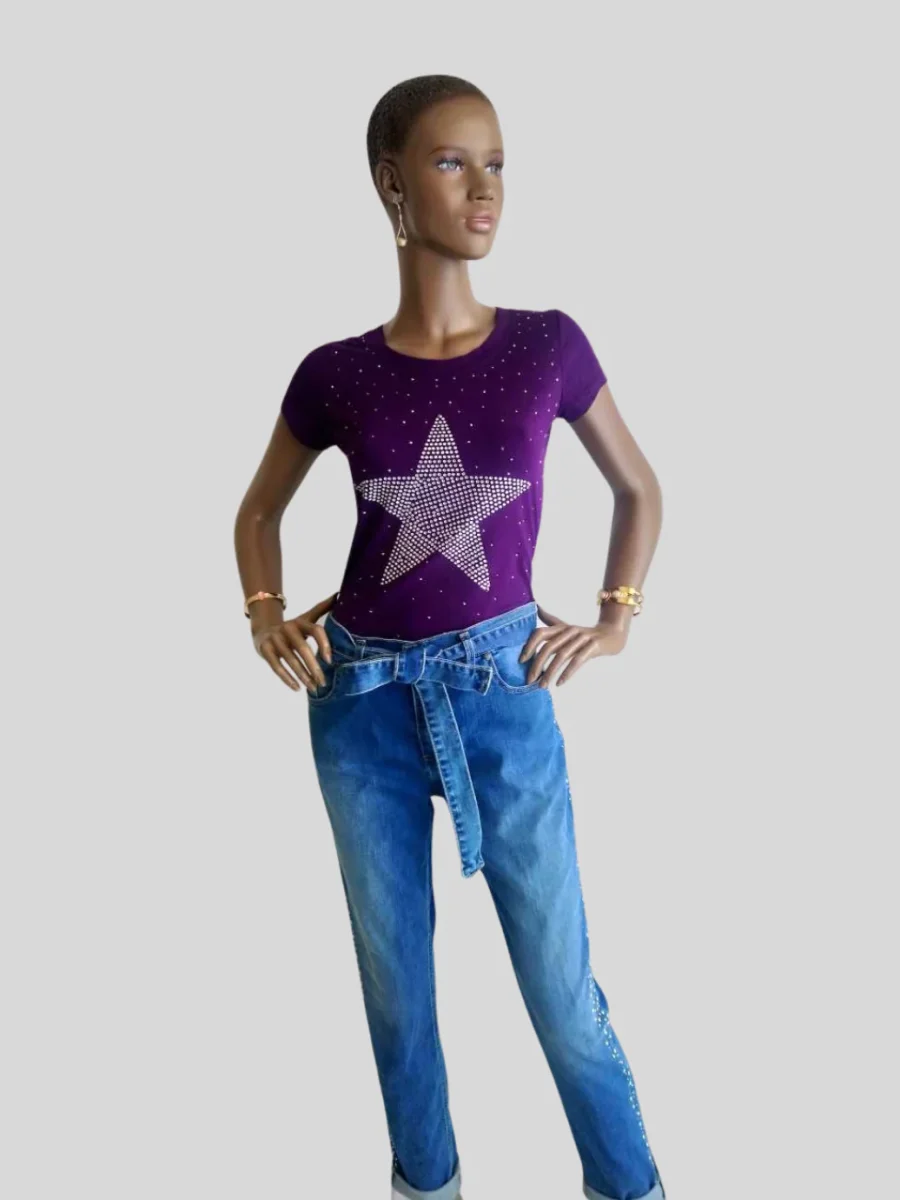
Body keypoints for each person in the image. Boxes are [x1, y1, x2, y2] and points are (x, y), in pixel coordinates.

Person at [234, 74, 665, 1200]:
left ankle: (631, 1186)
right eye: (450, 162)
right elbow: (257, 512)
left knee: (563, 998)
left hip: (504, 692)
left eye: (497, 164)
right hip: (359, 704)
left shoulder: (547, 346)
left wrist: (614, 621)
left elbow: (640, 489)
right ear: (391, 183)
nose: (485, 189)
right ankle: (427, 1186)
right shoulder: (334, 373)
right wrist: (266, 614)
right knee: (398, 999)